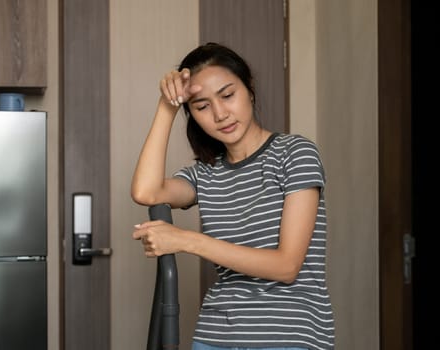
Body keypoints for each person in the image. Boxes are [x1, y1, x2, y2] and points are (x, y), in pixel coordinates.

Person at [131, 42, 335, 350]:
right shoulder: (206, 173)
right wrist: (167, 106)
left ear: (249, 88)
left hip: (290, 335)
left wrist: (187, 240)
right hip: (215, 336)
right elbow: (145, 191)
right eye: (201, 106)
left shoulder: (295, 154)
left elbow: (286, 266)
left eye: (228, 95)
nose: (220, 114)